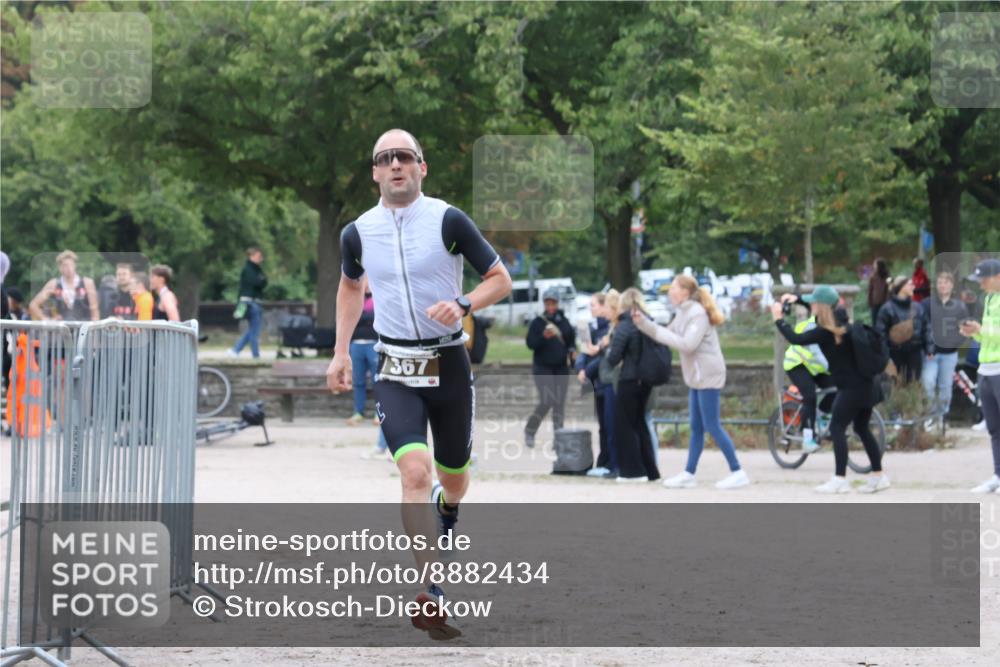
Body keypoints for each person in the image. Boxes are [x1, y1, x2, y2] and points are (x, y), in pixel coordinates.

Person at [325, 128, 512, 639]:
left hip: (448, 362)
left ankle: (448, 509)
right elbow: (348, 284)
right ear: (374, 173)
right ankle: (431, 590)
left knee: (453, 477)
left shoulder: (448, 220)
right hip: (395, 367)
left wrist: (466, 302)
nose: (395, 166)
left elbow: (500, 277)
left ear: (422, 167)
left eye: (404, 157)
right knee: (413, 472)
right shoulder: (358, 233)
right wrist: (341, 352)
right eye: (384, 159)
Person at [632, 276, 748, 489]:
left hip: (708, 374)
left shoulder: (697, 314)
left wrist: (654, 329)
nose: (669, 291)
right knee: (696, 427)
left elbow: (687, 345)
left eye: (674, 287)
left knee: (712, 425)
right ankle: (689, 473)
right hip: (696, 375)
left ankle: (737, 471)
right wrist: (643, 323)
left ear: (685, 291)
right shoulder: (684, 312)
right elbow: (667, 333)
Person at [772, 285, 889, 493]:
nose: (811, 305)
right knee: (862, 428)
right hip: (869, 385)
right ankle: (879, 476)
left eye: (813, 303)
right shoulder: (842, 322)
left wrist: (779, 319)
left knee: (837, 429)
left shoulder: (826, 332)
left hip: (851, 389)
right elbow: (818, 304)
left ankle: (839, 479)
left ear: (821, 306)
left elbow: (796, 339)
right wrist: (797, 298)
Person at [604, 288, 660, 483]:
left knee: (625, 426)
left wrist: (609, 348)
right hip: (646, 380)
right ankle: (650, 470)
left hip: (629, 379)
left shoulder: (626, 325)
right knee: (640, 425)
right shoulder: (648, 322)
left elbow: (614, 357)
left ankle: (632, 472)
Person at [780, 291, 837, 453]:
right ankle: (807, 439)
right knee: (810, 396)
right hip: (796, 363)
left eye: (813, 303)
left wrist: (797, 299)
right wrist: (779, 319)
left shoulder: (827, 320)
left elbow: (812, 303)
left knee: (837, 386)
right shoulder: (816, 326)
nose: (810, 305)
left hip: (813, 366)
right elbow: (822, 359)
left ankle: (823, 416)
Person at [524, 288, 576, 449]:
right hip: (542, 367)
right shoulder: (538, 322)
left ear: (558, 303)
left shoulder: (564, 321)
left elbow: (570, 341)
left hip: (561, 367)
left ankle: (559, 437)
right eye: (548, 303)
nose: (551, 306)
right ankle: (530, 430)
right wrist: (543, 337)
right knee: (547, 400)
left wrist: (573, 352)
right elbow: (531, 344)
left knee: (559, 403)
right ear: (544, 304)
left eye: (553, 303)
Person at [965, 259, 1000, 494]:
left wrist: (982, 330)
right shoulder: (989, 299)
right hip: (985, 369)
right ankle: (998, 476)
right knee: (994, 428)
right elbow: (989, 337)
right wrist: (974, 333)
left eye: (983, 279)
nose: (980, 284)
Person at [920, 271, 968, 421]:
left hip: (949, 354)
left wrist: (954, 342)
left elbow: (965, 329)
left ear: (952, 286)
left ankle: (941, 419)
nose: (943, 285)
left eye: (946, 282)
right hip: (930, 354)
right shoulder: (926, 304)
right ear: (936, 285)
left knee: (945, 387)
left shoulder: (960, 307)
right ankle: (931, 416)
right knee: (928, 383)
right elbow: (920, 326)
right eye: (940, 282)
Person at [576, 292, 615, 477]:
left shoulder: (609, 329)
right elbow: (583, 352)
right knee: (602, 425)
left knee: (609, 424)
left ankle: (611, 463)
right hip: (597, 383)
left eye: (593, 305)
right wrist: (580, 368)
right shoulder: (591, 328)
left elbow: (603, 357)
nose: (591, 308)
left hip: (606, 381)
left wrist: (587, 371)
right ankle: (603, 461)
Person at [875, 276, 929, 384]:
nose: (913, 286)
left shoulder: (918, 307)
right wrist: (885, 355)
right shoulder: (887, 308)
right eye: (910, 284)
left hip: (915, 353)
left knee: (913, 385)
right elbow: (880, 334)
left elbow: (927, 327)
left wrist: (929, 347)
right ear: (901, 287)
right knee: (895, 385)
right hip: (895, 354)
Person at [29, 250, 99, 321]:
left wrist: (94, 329)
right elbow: (33, 305)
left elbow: (95, 312)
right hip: (62, 329)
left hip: (83, 329)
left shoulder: (87, 283)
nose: (69, 268)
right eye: (65, 265)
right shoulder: (54, 284)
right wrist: (46, 319)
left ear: (75, 265)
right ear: (60, 268)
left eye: (71, 264)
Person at [347, 279, 380, 426]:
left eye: (368, 280)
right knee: (358, 381)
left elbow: (376, 318)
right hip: (356, 345)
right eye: (364, 280)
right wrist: (365, 317)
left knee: (377, 381)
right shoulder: (354, 297)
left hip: (374, 344)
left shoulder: (378, 298)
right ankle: (358, 412)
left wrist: (360, 317)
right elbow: (348, 318)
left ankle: (379, 413)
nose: (366, 283)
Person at [230, 247, 267, 358]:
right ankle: (255, 354)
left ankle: (236, 350)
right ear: (252, 256)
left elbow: (264, 281)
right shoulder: (248, 270)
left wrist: (261, 280)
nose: (260, 259)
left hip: (256, 302)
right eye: (258, 256)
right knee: (254, 330)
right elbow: (256, 282)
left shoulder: (257, 269)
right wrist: (260, 280)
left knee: (253, 329)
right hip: (249, 303)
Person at [867, 258, 891, 325]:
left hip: (884, 303)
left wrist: (887, 301)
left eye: (875, 264)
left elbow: (890, 289)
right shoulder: (873, 276)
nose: (874, 265)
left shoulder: (887, 276)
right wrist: (869, 301)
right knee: (874, 322)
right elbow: (870, 290)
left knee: (884, 322)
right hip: (875, 303)